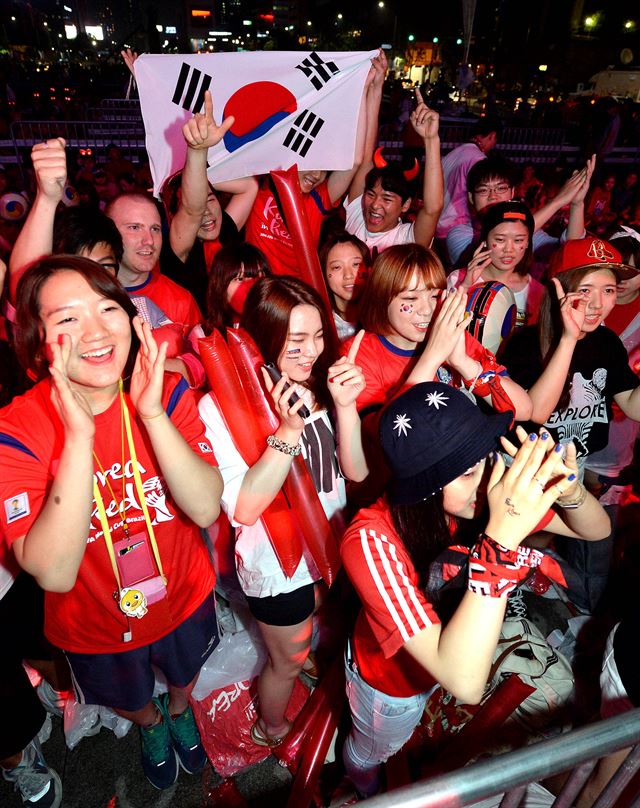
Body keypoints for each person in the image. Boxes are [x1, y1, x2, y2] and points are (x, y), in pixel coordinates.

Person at [0, 256, 223, 790]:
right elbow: (52, 572)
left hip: (183, 592)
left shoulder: (163, 392)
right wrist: (78, 437)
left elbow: (206, 507)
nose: (96, 331)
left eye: (108, 308)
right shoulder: (18, 429)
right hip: (95, 625)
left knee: (184, 673)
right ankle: (149, 725)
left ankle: (179, 708)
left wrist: (152, 415)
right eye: (67, 319)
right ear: (37, 342)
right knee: (126, 695)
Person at [340, 382, 609, 799]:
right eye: (467, 472)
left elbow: (596, 530)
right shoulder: (369, 541)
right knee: (373, 750)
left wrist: (570, 491)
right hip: (390, 684)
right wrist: (499, 541)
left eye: (485, 460)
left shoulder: (477, 496)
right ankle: (362, 783)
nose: (486, 480)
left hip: (441, 665)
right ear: (425, 486)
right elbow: (465, 681)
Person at [198, 276, 367, 747]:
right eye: (296, 340)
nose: (311, 350)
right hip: (277, 567)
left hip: (328, 548)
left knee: (312, 620)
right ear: (262, 338)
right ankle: (270, 726)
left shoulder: (321, 380)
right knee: (286, 661)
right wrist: (288, 432)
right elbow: (245, 507)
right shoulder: (219, 407)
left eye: (317, 335)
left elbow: (353, 472)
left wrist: (347, 407)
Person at [500, 237, 640, 611]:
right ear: (558, 289)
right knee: (524, 558)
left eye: (608, 290)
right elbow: (536, 413)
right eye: (585, 289)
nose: (597, 303)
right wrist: (568, 339)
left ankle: (580, 626)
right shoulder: (524, 345)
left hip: (578, 473)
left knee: (594, 559)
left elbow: (632, 403)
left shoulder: (607, 343)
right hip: (526, 475)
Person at [345, 243, 532, 422]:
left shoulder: (451, 335)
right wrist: (433, 356)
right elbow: (383, 439)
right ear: (381, 298)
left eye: (435, 295)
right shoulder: (362, 353)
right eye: (411, 298)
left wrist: (463, 363)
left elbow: (524, 409)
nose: (427, 309)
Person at [245, 50, 386, 276]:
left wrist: (363, 89)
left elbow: (356, 159)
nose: (318, 174)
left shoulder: (317, 201)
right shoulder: (259, 184)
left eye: (325, 168)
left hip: (296, 301)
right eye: (312, 163)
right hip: (257, 297)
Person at [161, 90, 259, 309]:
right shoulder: (178, 245)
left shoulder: (226, 231)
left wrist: (199, 174)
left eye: (211, 199)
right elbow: (192, 209)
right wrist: (197, 151)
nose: (206, 211)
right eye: (198, 200)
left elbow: (249, 187)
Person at [446, 156, 593, 271]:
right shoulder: (460, 234)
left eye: (501, 188)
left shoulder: (531, 233)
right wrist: (557, 201)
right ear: (471, 197)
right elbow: (485, 256)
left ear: (512, 192)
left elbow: (569, 251)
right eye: (484, 190)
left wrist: (577, 204)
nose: (493, 196)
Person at [344, 87, 443, 255]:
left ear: (405, 205)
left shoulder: (406, 240)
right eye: (371, 194)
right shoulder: (356, 216)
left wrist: (431, 139)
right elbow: (366, 155)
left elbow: (432, 209)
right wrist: (372, 87)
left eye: (387, 198)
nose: (375, 204)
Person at [448, 201, 545, 328]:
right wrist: (466, 286)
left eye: (518, 240)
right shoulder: (458, 279)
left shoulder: (537, 291)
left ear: (527, 243)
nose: (508, 249)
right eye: (500, 239)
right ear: (485, 240)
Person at [435, 115, 501, 242]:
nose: (493, 145)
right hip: (459, 228)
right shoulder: (479, 159)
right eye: (495, 141)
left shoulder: (452, 154)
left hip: (437, 225)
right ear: (492, 135)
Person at [319, 231, 371, 341]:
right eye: (337, 267)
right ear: (323, 274)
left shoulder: (382, 318)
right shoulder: (317, 320)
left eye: (356, 264)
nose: (348, 275)